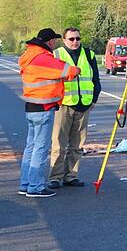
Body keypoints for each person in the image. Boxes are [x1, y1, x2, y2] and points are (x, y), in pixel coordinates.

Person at [18, 28, 80, 198]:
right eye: (54, 41)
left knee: (30, 147)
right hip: (44, 108)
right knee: (41, 148)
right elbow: (69, 71)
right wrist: (76, 70)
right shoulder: (43, 58)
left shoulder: (29, 55)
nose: (55, 44)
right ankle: (36, 187)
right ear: (50, 41)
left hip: (31, 106)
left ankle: (25, 183)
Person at [47, 27, 101, 189]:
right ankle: (55, 177)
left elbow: (95, 79)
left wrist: (93, 100)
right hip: (63, 104)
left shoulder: (89, 54)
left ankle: (71, 175)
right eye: (71, 39)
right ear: (64, 40)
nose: (75, 42)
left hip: (84, 104)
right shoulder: (56, 54)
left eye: (77, 38)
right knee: (59, 143)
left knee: (77, 144)